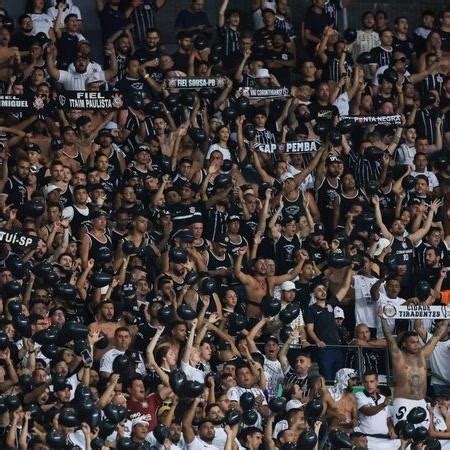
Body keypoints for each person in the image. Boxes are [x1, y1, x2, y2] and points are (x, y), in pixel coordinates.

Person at [380, 310, 448, 428]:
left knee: (423, 434)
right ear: (404, 344)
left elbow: (437, 336)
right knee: (404, 433)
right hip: (403, 400)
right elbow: (389, 338)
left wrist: (447, 316)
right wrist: (382, 318)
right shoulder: (398, 356)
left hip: (421, 401)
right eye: (412, 342)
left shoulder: (422, 354)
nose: (416, 344)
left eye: (417, 342)